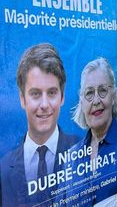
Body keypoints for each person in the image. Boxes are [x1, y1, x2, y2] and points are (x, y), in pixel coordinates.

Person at [0, 44, 78, 206]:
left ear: (62, 97)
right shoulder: (4, 167)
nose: (44, 104)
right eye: (35, 93)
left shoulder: (83, 150)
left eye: (51, 93)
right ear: (22, 99)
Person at [64, 58, 117, 206]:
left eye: (103, 90)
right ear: (81, 101)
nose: (96, 100)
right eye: (89, 93)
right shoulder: (71, 158)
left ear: (113, 95)